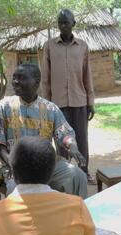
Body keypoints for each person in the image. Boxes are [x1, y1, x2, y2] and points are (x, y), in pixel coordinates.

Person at [0, 63, 88, 198]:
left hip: (46, 167)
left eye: (22, 78)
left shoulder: (50, 108)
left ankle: (74, 216)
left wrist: (73, 146)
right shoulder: (3, 107)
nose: (16, 82)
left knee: (77, 176)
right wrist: (11, 162)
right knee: (14, 189)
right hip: (16, 168)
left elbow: (65, 133)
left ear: (36, 83)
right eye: (14, 78)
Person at [41, 9, 96, 185]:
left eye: (66, 22)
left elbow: (87, 76)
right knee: (61, 141)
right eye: (60, 22)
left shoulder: (82, 46)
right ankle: (62, 174)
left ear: (73, 23)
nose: (63, 25)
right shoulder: (49, 46)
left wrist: (91, 102)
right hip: (57, 104)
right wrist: (46, 104)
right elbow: (45, 79)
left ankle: (84, 171)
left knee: (81, 139)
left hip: (80, 101)